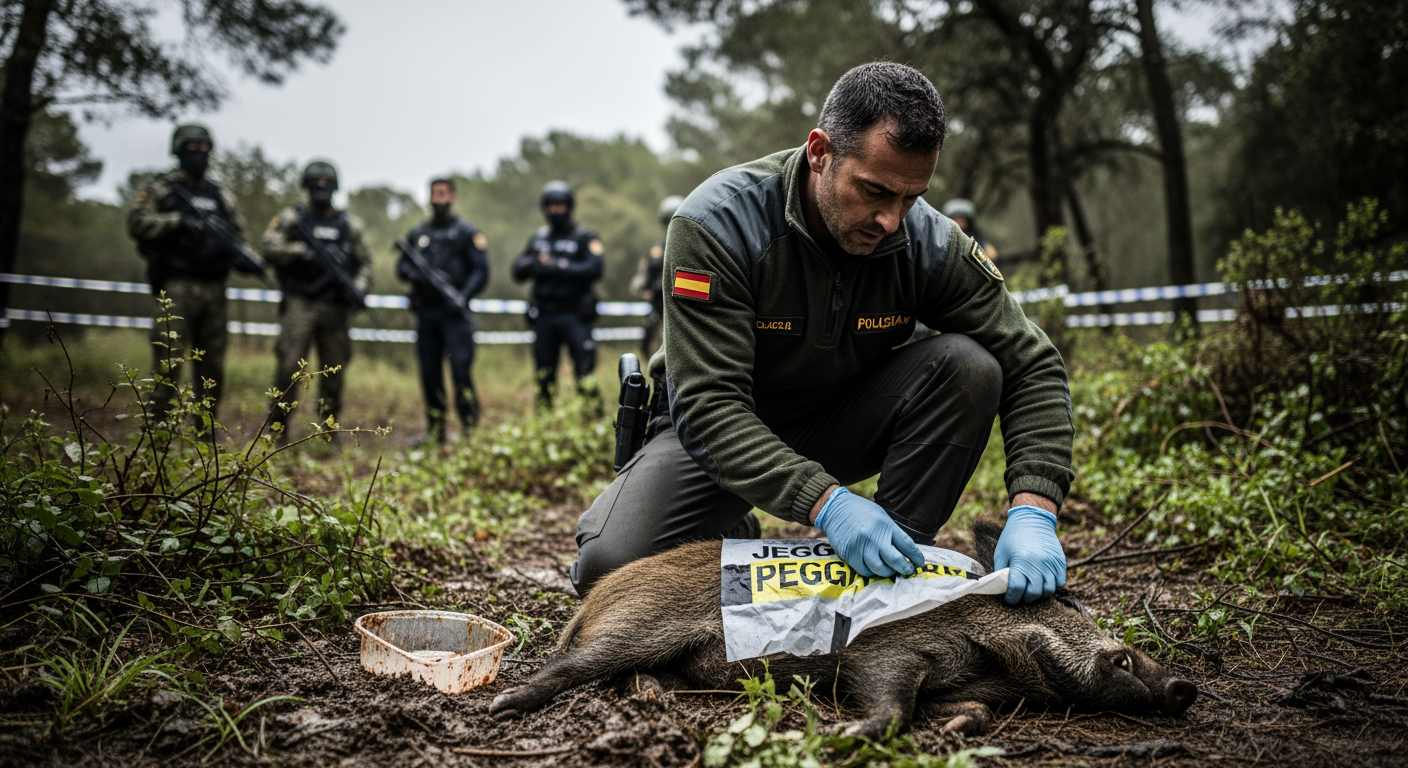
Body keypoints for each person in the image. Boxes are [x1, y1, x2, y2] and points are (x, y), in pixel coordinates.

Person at [571, 63, 1073, 608]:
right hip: (717, 431)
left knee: (969, 365)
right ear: (819, 152)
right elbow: (710, 404)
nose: (890, 220)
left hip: (841, 419)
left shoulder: (929, 242)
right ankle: (729, 524)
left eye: (910, 198)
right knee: (610, 569)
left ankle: (893, 568)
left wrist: (1034, 510)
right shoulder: (717, 225)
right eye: (874, 190)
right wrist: (828, 503)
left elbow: (1032, 363)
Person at [127, 124, 252, 421]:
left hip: (214, 288)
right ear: (179, 151)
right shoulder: (163, 188)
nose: (199, 154)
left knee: (212, 365)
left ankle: (204, 430)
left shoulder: (220, 195)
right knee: (168, 360)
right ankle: (158, 431)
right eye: (192, 148)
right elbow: (137, 222)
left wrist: (239, 255)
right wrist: (177, 222)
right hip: (177, 285)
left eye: (204, 148)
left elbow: (240, 237)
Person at [262, 160, 372, 439]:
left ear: (335, 188)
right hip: (301, 303)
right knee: (289, 367)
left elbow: (364, 264)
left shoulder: (349, 225)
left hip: (336, 307)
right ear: (306, 186)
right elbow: (269, 246)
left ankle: (327, 431)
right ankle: (277, 430)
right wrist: (301, 252)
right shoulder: (292, 218)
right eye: (315, 183)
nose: (321, 188)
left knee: (334, 370)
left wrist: (358, 289)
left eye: (326, 183)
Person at [397, 177, 490, 444]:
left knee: (461, 371)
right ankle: (435, 432)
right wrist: (415, 275)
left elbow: (481, 271)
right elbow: (401, 267)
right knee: (430, 373)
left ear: (453, 197)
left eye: (443, 193)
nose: (438, 198)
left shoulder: (466, 233)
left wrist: (462, 296)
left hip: (455, 316)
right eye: (434, 193)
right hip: (426, 313)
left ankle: (470, 430)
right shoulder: (418, 234)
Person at [510, 181, 605, 410]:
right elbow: (518, 271)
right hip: (545, 316)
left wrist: (559, 265)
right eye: (551, 206)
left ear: (569, 206)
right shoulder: (539, 239)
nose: (555, 210)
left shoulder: (583, 237)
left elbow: (595, 269)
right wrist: (536, 263)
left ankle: (592, 416)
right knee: (544, 372)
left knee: (584, 369)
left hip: (575, 315)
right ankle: (544, 416)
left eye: (560, 205)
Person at [631, 195, 684, 357]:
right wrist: (647, 292)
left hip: (684, 310)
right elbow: (638, 283)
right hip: (659, 309)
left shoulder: (691, 248)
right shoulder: (656, 251)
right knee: (652, 349)